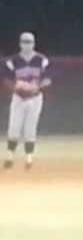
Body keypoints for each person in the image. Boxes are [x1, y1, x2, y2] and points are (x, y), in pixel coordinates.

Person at [3, 32, 52, 170]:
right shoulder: (12, 61)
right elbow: (6, 79)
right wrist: (16, 87)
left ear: (34, 43)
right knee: (14, 127)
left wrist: (37, 86)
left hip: (35, 97)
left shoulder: (42, 60)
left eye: (29, 42)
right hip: (19, 97)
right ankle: (9, 157)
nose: (27, 44)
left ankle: (29, 159)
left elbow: (48, 79)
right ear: (20, 43)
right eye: (24, 41)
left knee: (30, 128)